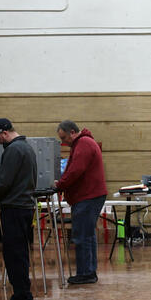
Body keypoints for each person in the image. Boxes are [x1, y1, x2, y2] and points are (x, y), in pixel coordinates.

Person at [0, 118, 37, 300]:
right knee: (20, 253)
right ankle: (24, 295)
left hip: (14, 208)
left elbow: (5, 182)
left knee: (14, 255)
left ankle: (22, 297)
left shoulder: (13, 150)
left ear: (4, 133)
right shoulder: (27, 147)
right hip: (24, 206)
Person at [54, 120, 107, 285]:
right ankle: (89, 271)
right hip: (91, 195)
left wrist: (60, 185)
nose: (64, 142)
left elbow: (75, 170)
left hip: (88, 196)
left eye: (64, 138)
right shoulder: (84, 143)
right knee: (87, 234)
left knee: (82, 235)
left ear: (72, 132)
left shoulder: (83, 143)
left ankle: (85, 273)